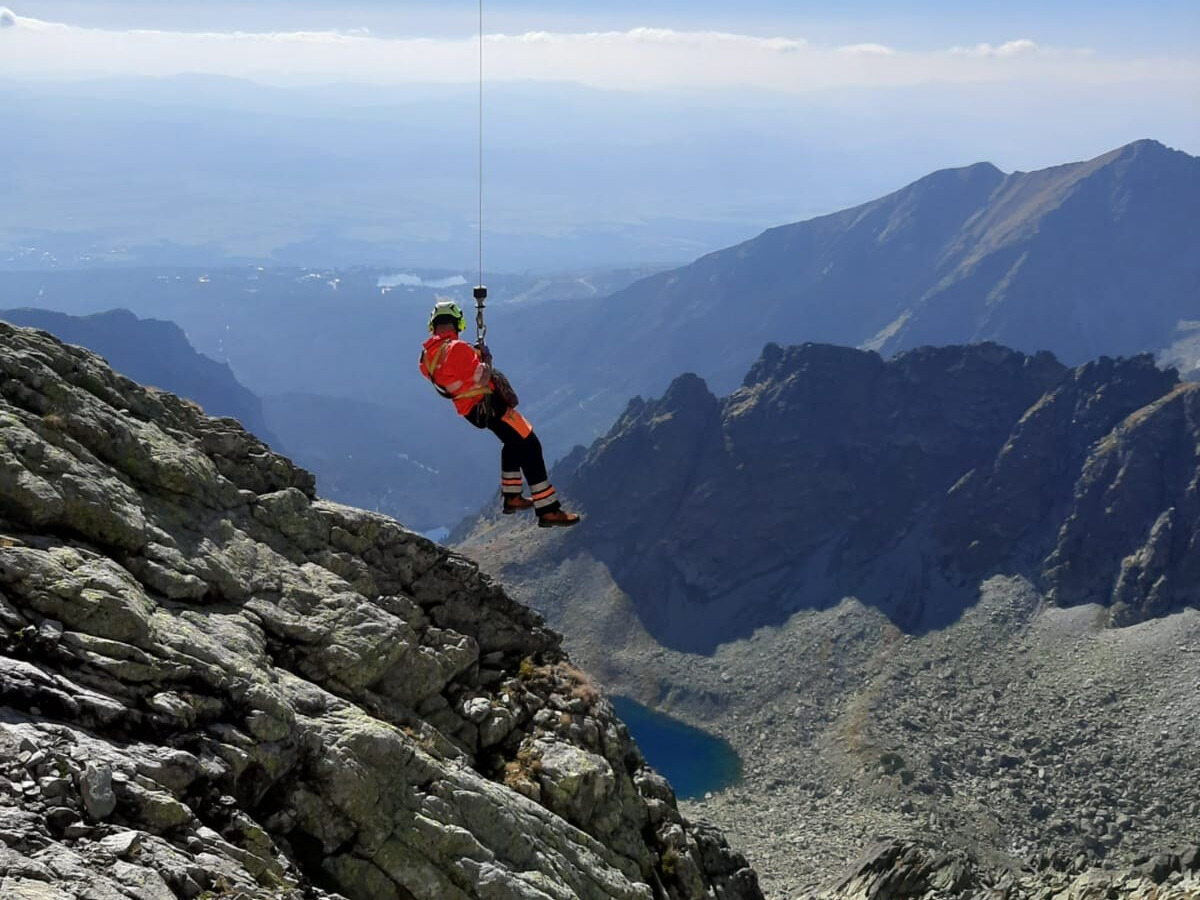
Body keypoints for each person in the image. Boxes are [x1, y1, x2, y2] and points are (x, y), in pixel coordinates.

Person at [419, 298, 580, 527]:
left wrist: (473, 356)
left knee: (513, 444)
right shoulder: (458, 349)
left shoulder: (426, 358)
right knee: (530, 444)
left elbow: (454, 372)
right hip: (490, 404)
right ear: (457, 323)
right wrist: (486, 359)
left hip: (470, 411)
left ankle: (512, 497)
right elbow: (481, 376)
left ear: (433, 325)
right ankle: (548, 510)